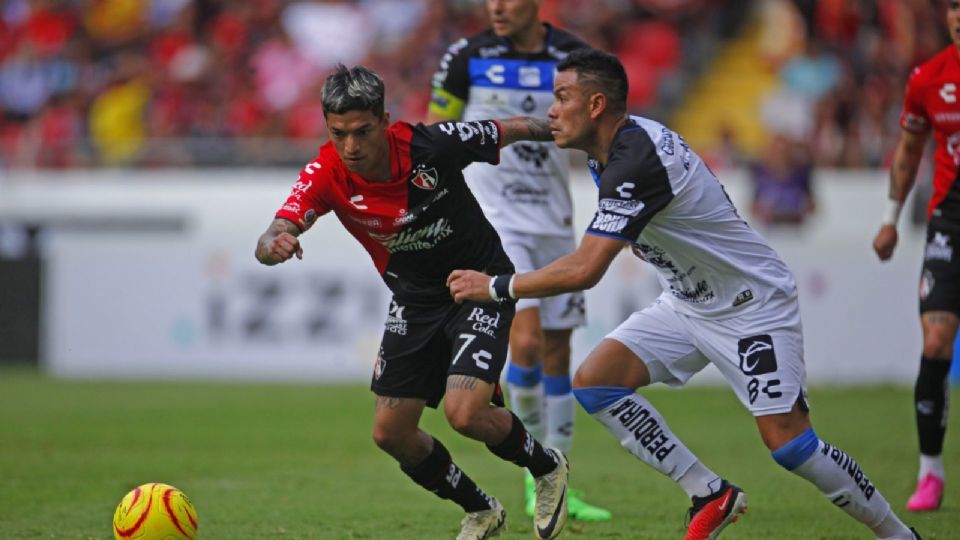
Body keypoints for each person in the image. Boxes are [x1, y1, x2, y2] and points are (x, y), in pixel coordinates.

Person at [448, 48, 922, 540]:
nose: (550, 110)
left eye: (561, 97)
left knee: (791, 447)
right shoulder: (610, 152)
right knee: (596, 383)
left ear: (594, 105)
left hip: (750, 305)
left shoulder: (635, 159)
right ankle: (708, 491)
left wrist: (497, 288)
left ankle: (898, 534)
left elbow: (586, 268)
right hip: (687, 302)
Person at [255, 64, 570, 540]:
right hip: (414, 299)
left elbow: (515, 128)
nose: (351, 147)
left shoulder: (432, 145)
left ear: (385, 119)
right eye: (338, 133)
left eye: (362, 131)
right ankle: (481, 509)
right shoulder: (325, 173)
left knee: (464, 414)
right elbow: (276, 229)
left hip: (479, 283)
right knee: (391, 434)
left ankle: (546, 467)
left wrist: (593, 136)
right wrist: (273, 245)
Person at [426, 0, 610, 521]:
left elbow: (601, 139)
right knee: (525, 340)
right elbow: (436, 137)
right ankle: (535, 476)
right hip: (495, 217)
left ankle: (560, 480)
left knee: (557, 352)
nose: (497, 7)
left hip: (553, 217)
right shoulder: (465, 55)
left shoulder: (572, 55)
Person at [872, 0, 960, 514]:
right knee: (936, 337)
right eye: (952, 5)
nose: (958, 14)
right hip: (950, 223)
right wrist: (889, 218)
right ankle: (931, 472)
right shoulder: (928, 78)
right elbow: (908, 152)